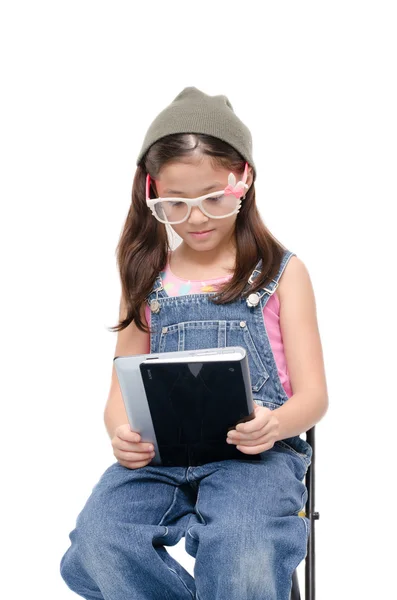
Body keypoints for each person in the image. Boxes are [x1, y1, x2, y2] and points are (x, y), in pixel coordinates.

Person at [59, 86, 329, 600]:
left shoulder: (282, 274)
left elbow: (314, 397)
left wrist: (277, 424)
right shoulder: (146, 276)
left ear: (243, 180)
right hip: (160, 454)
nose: (197, 218)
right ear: (152, 193)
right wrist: (120, 430)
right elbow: (120, 386)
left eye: (213, 198)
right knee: (98, 544)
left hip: (256, 455)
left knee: (243, 545)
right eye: (175, 205)